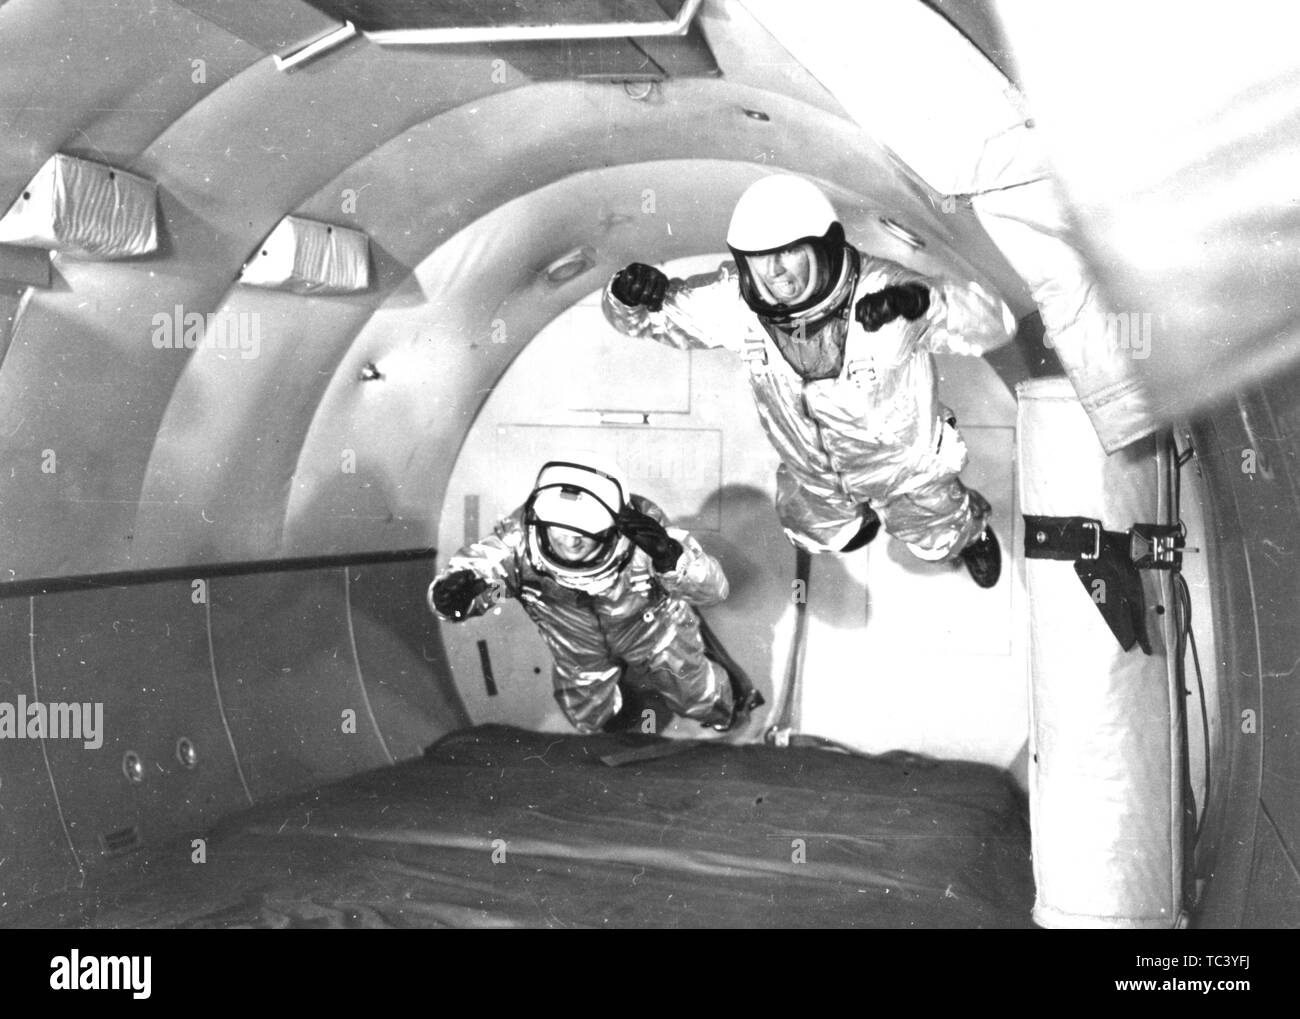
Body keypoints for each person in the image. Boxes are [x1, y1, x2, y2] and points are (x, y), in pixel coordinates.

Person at [602, 174, 1014, 587]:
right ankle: (855, 524)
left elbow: (995, 324)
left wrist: (928, 303)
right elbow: (651, 319)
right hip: (811, 469)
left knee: (936, 530)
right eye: (759, 258)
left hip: (904, 465)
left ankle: (968, 537)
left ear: (827, 246)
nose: (775, 272)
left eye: (790, 253)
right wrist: (626, 295)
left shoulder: (887, 292)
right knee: (818, 531)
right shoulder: (738, 303)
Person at [427, 457, 759, 734]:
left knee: (696, 696)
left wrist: (671, 559)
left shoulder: (643, 536)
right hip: (572, 634)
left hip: (651, 628)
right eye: (561, 535)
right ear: (542, 524)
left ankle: (731, 713)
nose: (570, 545)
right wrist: (454, 597)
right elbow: (486, 576)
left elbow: (716, 589)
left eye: (581, 537)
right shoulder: (519, 541)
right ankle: (617, 735)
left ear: (608, 531)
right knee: (585, 713)